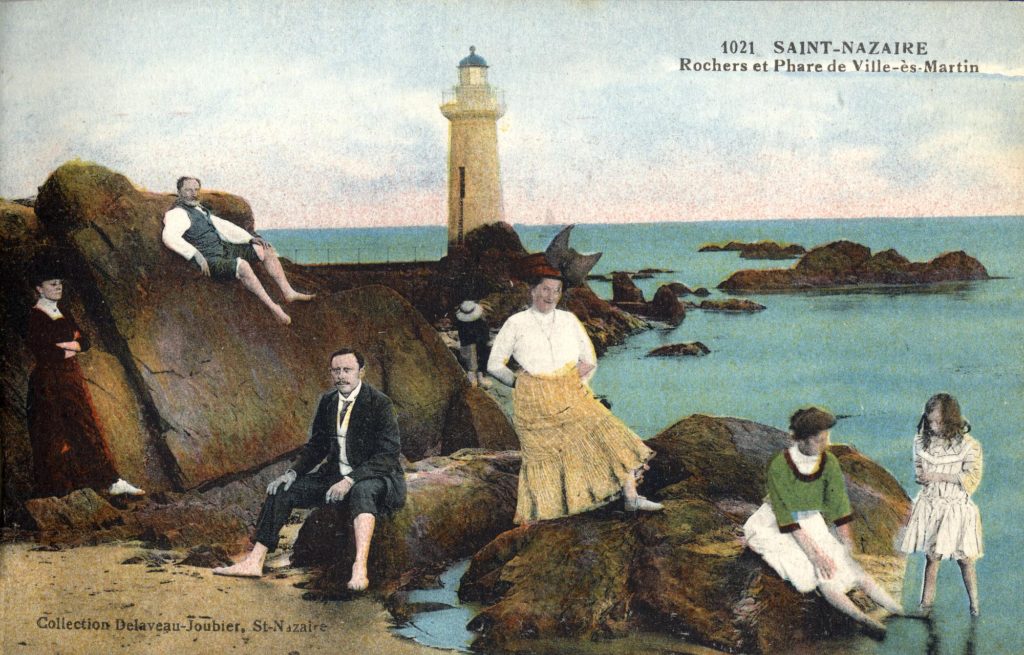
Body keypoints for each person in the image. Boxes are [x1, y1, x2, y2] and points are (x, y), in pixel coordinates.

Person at [486, 253, 661, 524]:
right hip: (534, 402)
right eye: (545, 289)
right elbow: (494, 365)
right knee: (544, 459)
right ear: (532, 290)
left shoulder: (568, 319)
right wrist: (520, 384)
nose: (551, 295)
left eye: (556, 291)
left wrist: (575, 385)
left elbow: (588, 359)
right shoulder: (516, 323)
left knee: (612, 434)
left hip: (570, 392)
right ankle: (541, 516)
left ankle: (630, 497)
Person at [214, 349, 406, 591]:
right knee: (283, 489)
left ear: (361, 372)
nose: (341, 376)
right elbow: (316, 447)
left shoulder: (379, 403)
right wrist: (292, 473)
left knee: (361, 492)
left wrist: (349, 480)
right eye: (336, 370)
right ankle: (255, 560)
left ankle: (360, 568)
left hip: (376, 477)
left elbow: (388, 454)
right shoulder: (328, 401)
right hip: (333, 475)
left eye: (347, 370)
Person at [743, 407, 902, 636]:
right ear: (802, 440)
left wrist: (847, 543)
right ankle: (861, 618)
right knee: (821, 575)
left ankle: (896, 608)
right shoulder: (781, 465)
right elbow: (786, 518)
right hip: (779, 525)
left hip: (811, 521)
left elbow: (839, 506)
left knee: (852, 567)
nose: (825, 444)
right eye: (819, 440)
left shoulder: (829, 463)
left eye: (826, 438)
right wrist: (816, 555)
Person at [26, 272, 144, 498]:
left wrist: (66, 347)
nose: (58, 287)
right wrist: (70, 346)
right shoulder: (35, 317)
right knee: (52, 433)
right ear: (39, 288)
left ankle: (110, 481)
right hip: (48, 383)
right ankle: (57, 491)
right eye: (52, 284)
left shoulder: (64, 312)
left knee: (86, 427)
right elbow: (44, 351)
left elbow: (85, 342)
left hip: (70, 378)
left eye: (60, 282)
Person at [161, 176, 313, 325]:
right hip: (209, 259)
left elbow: (224, 227)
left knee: (265, 250)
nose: (194, 193)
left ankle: (288, 292)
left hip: (223, 249)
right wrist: (196, 255)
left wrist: (249, 239)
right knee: (243, 266)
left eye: (196, 189)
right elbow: (169, 237)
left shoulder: (200, 209)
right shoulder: (177, 213)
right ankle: (274, 308)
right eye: (188, 190)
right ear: (180, 192)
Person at [899, 393, 982, 617]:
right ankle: (925, 606)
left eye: (939, 422)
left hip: (955, 507)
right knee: (932, 556)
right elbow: (919, 468)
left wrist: (937, 475)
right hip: (932, 504)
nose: (934, 426)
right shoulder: (921, 442)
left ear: (951, 421)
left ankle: (974, 605)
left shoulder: (968, 446)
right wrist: (923, 476)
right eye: (930, 420)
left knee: (965, 559)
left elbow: (971, 479)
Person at [455, 300, 491, 388]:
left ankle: (479, 377)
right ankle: (473, 379)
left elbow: (485, 338)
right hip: (468, 344)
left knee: (480, 357)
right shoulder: (461, 323)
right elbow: (463, 338)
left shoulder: (481, 322)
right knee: (471, 360)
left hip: (479, 344)